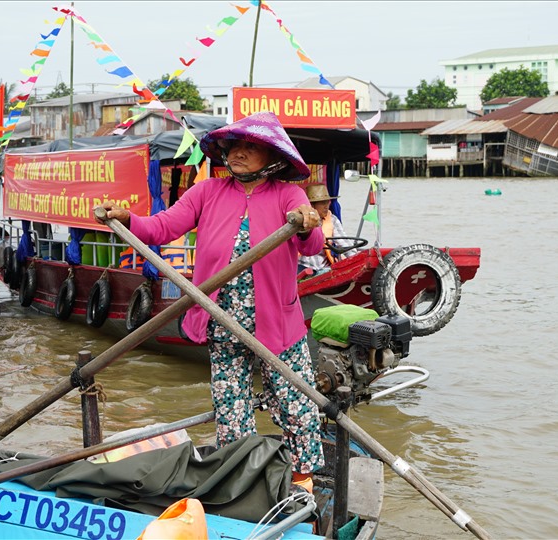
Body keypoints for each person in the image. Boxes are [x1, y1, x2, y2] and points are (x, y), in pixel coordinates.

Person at [97, 111, 325, 491]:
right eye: (234, 145)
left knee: (295, 402)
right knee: (231, 407)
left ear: (272, 157)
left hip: (278, 323)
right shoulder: (207, 191)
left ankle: (303, 480)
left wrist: (307, 222)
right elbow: (161, 227)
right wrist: (127, 218)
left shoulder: (290, 194)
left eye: (250, 146)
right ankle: (239, 478)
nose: (237, 152)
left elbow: (312, 246)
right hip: (221, 318)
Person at [297, 184, 362, 276]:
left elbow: (345, 244)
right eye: (323, 203)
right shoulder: (300, 220)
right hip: (302, 266)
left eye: (328, 202)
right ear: (312, 205)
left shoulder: (332, 219)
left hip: (324, 268)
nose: (327, 206)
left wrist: (357, 261)